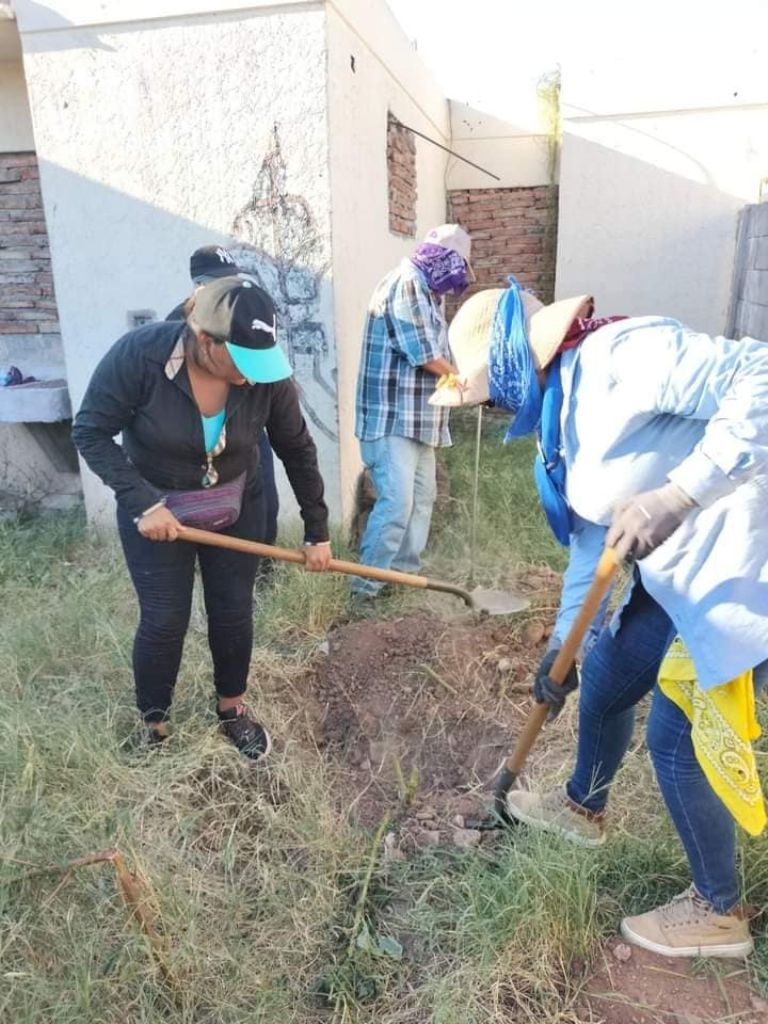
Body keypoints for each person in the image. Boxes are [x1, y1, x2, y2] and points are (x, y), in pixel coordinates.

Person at [433, 282, 768, 958]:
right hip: (676, 574)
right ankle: (584, 806)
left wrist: (679, 494)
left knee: (676, 737)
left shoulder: (621, 355)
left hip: (741, 568)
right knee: (610, 674)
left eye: (487, 393)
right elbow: (594, 545)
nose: (491, 409)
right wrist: (564, 649)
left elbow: (759, 373)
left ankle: (718, 908)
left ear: (506, 366)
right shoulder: (561, 423)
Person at [73, 276, 331, 759]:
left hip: (237, 504)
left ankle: (232, 709)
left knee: (233, 612)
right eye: (244, 363)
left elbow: (297, 448)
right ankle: (155, 725)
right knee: (165, 620)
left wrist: (317, 531)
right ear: (205, 341)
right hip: (160, 511)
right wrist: (142, 503)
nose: (254, 377)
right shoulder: (139, 358)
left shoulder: (265, 376)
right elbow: (90, 432)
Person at [352, 224, 472, 600]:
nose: (457, 280)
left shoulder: (429, 292)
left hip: (420, 419)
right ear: (443, 261)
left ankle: (404, 578)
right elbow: (424, 354)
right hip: (392, 419)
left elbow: (444, 351)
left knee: (422, 500)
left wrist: (462, 374)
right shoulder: (407, 283)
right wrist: (466, 381)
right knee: (397, 504)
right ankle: (365, 589)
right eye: (458, 268)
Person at [167, 244, 280, 548]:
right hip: (205, 435)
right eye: (216, 281)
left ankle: (262, 567)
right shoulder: (176, 325)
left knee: (265, 503)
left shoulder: (244, 310)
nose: (224, 287)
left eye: (229, 278)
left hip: (247, 426)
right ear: (199, 285)